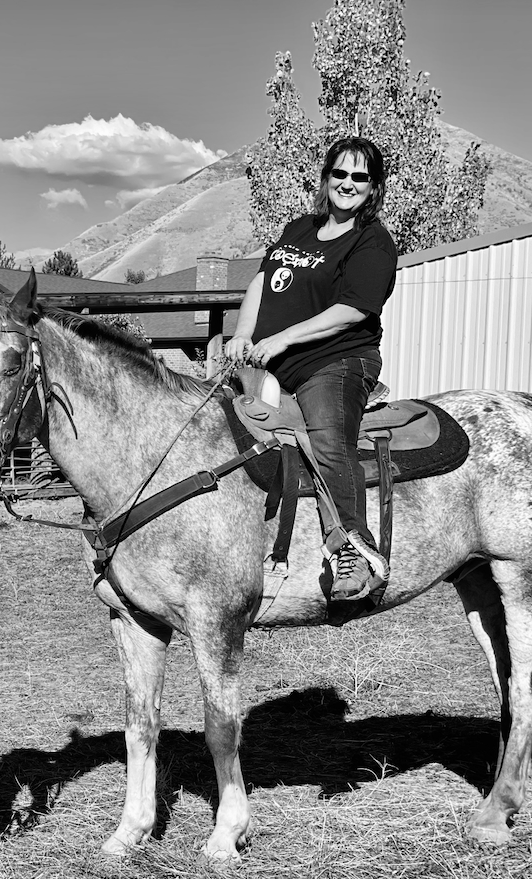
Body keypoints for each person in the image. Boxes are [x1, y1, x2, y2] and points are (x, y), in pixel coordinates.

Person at [224, 136, 398, 601]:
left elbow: (353, 310)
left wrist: (282, 337)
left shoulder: (373, 242)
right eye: (339, 173)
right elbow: (263, 281)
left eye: (360, 177)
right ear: (325, 179)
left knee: (326, 439)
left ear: (374, 187)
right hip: (271, 359)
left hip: (335, 362)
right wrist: (243, 332)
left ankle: (355, 552)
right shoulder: (299, 228)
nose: (348, 183)